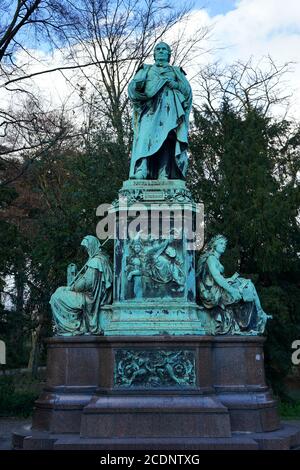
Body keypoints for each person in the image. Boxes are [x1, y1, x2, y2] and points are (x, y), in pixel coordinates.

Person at [128, 41, 192, 180]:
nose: (161, 51)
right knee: (145, 137)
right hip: (150, 109)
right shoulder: (145, 69)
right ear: (154, 54)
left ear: (169, 54)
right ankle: (142, 169)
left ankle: (164, 173)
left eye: (164, 49)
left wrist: (176, 84)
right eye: (158, 49)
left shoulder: (176, 71)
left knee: (167, 140)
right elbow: (132, 89)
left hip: (170, 112)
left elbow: (187, 92)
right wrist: (137, 87)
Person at [197, 234, 271, 334]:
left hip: (218, 288)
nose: (224, 246)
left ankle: (260, 312)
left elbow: (218, 278)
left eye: (225, 244)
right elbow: (217, 277)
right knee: (247, 287)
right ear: (214, 245)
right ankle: (258, 316)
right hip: (213, 294)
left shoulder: (215, 259)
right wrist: (232, 290)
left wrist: (231, 279)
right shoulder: (211, 259)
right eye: (221, 243)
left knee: (247, 283)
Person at [50, 235, 113, 336]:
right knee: (59, 290)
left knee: (56, 297)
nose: (86, 250)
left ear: (92, 246)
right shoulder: (101, 260)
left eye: (87, 248)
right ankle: (74, 325)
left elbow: (85, 283)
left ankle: (72, 327)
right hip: (91, 295)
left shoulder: (96, 262)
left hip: (90, 298)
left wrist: (71, 287)